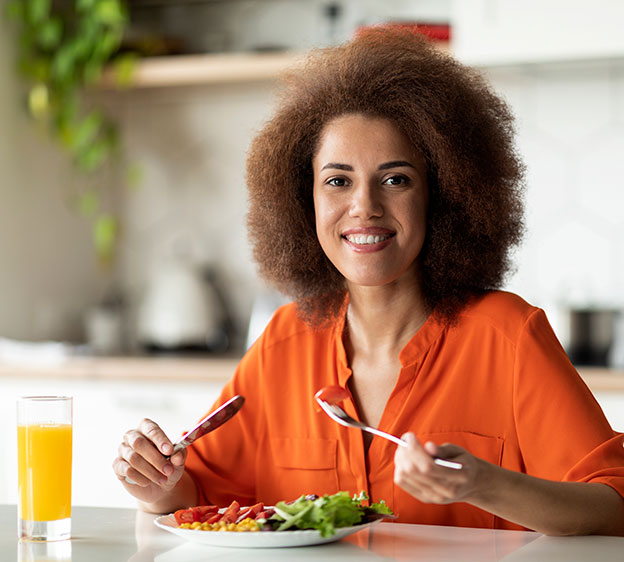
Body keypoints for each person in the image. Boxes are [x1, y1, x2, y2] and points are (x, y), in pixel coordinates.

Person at [112, 28, 624, 536]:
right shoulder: (283, 344)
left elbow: (614, 504)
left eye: (396, 179)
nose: (365, 207)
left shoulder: (508, 336)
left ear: (441, 194)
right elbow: (198, 496)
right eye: (338, 181)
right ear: (303, 200)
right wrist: (158, 484)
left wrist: (482, 485)